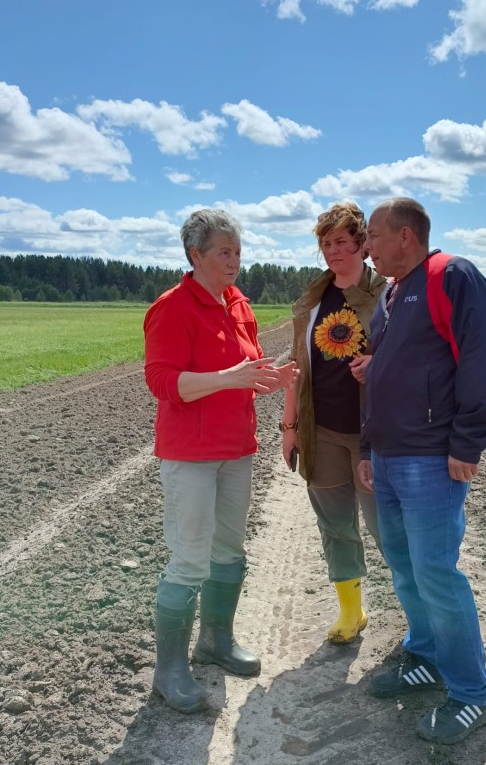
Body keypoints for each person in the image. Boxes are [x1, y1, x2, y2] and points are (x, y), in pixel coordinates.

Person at [358, 197, 486, 745]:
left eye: (372, 235)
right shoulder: (391, 297)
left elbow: (482, 357)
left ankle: (470, 695)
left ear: (404, 236)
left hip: (430, 457)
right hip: (392, 459)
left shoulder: (451, 276)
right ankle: (424, 657)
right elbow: (392, 376)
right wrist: (369, 447)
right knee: (404, 568)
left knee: (437, 574)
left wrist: (467, 441)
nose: (366, 246)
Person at [144, 208, 298, 714]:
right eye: (224, 252)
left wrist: (267, 378)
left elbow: (243, 372)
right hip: (190, 455)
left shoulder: (239, 305)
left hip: (237, 449)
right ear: (196, 255)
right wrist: (227, 377)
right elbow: (162, 383)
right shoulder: (173, 307)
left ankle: (216, 641)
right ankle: (169, 670)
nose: (234, 261)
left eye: (238, 251)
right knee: (189, 557)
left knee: (229, 550)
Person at [281, 201, 387, 644]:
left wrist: (377, 364)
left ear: (363, 245)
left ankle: (420, 618)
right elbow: (297, 365)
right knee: (335, 525)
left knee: (387, 526)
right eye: (326, 244)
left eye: (341, 242)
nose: (332, 251)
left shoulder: (388, 294)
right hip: (321, 431)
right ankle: (351, 611)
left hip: (375, 435)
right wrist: (289, 427)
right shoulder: (312, 299)